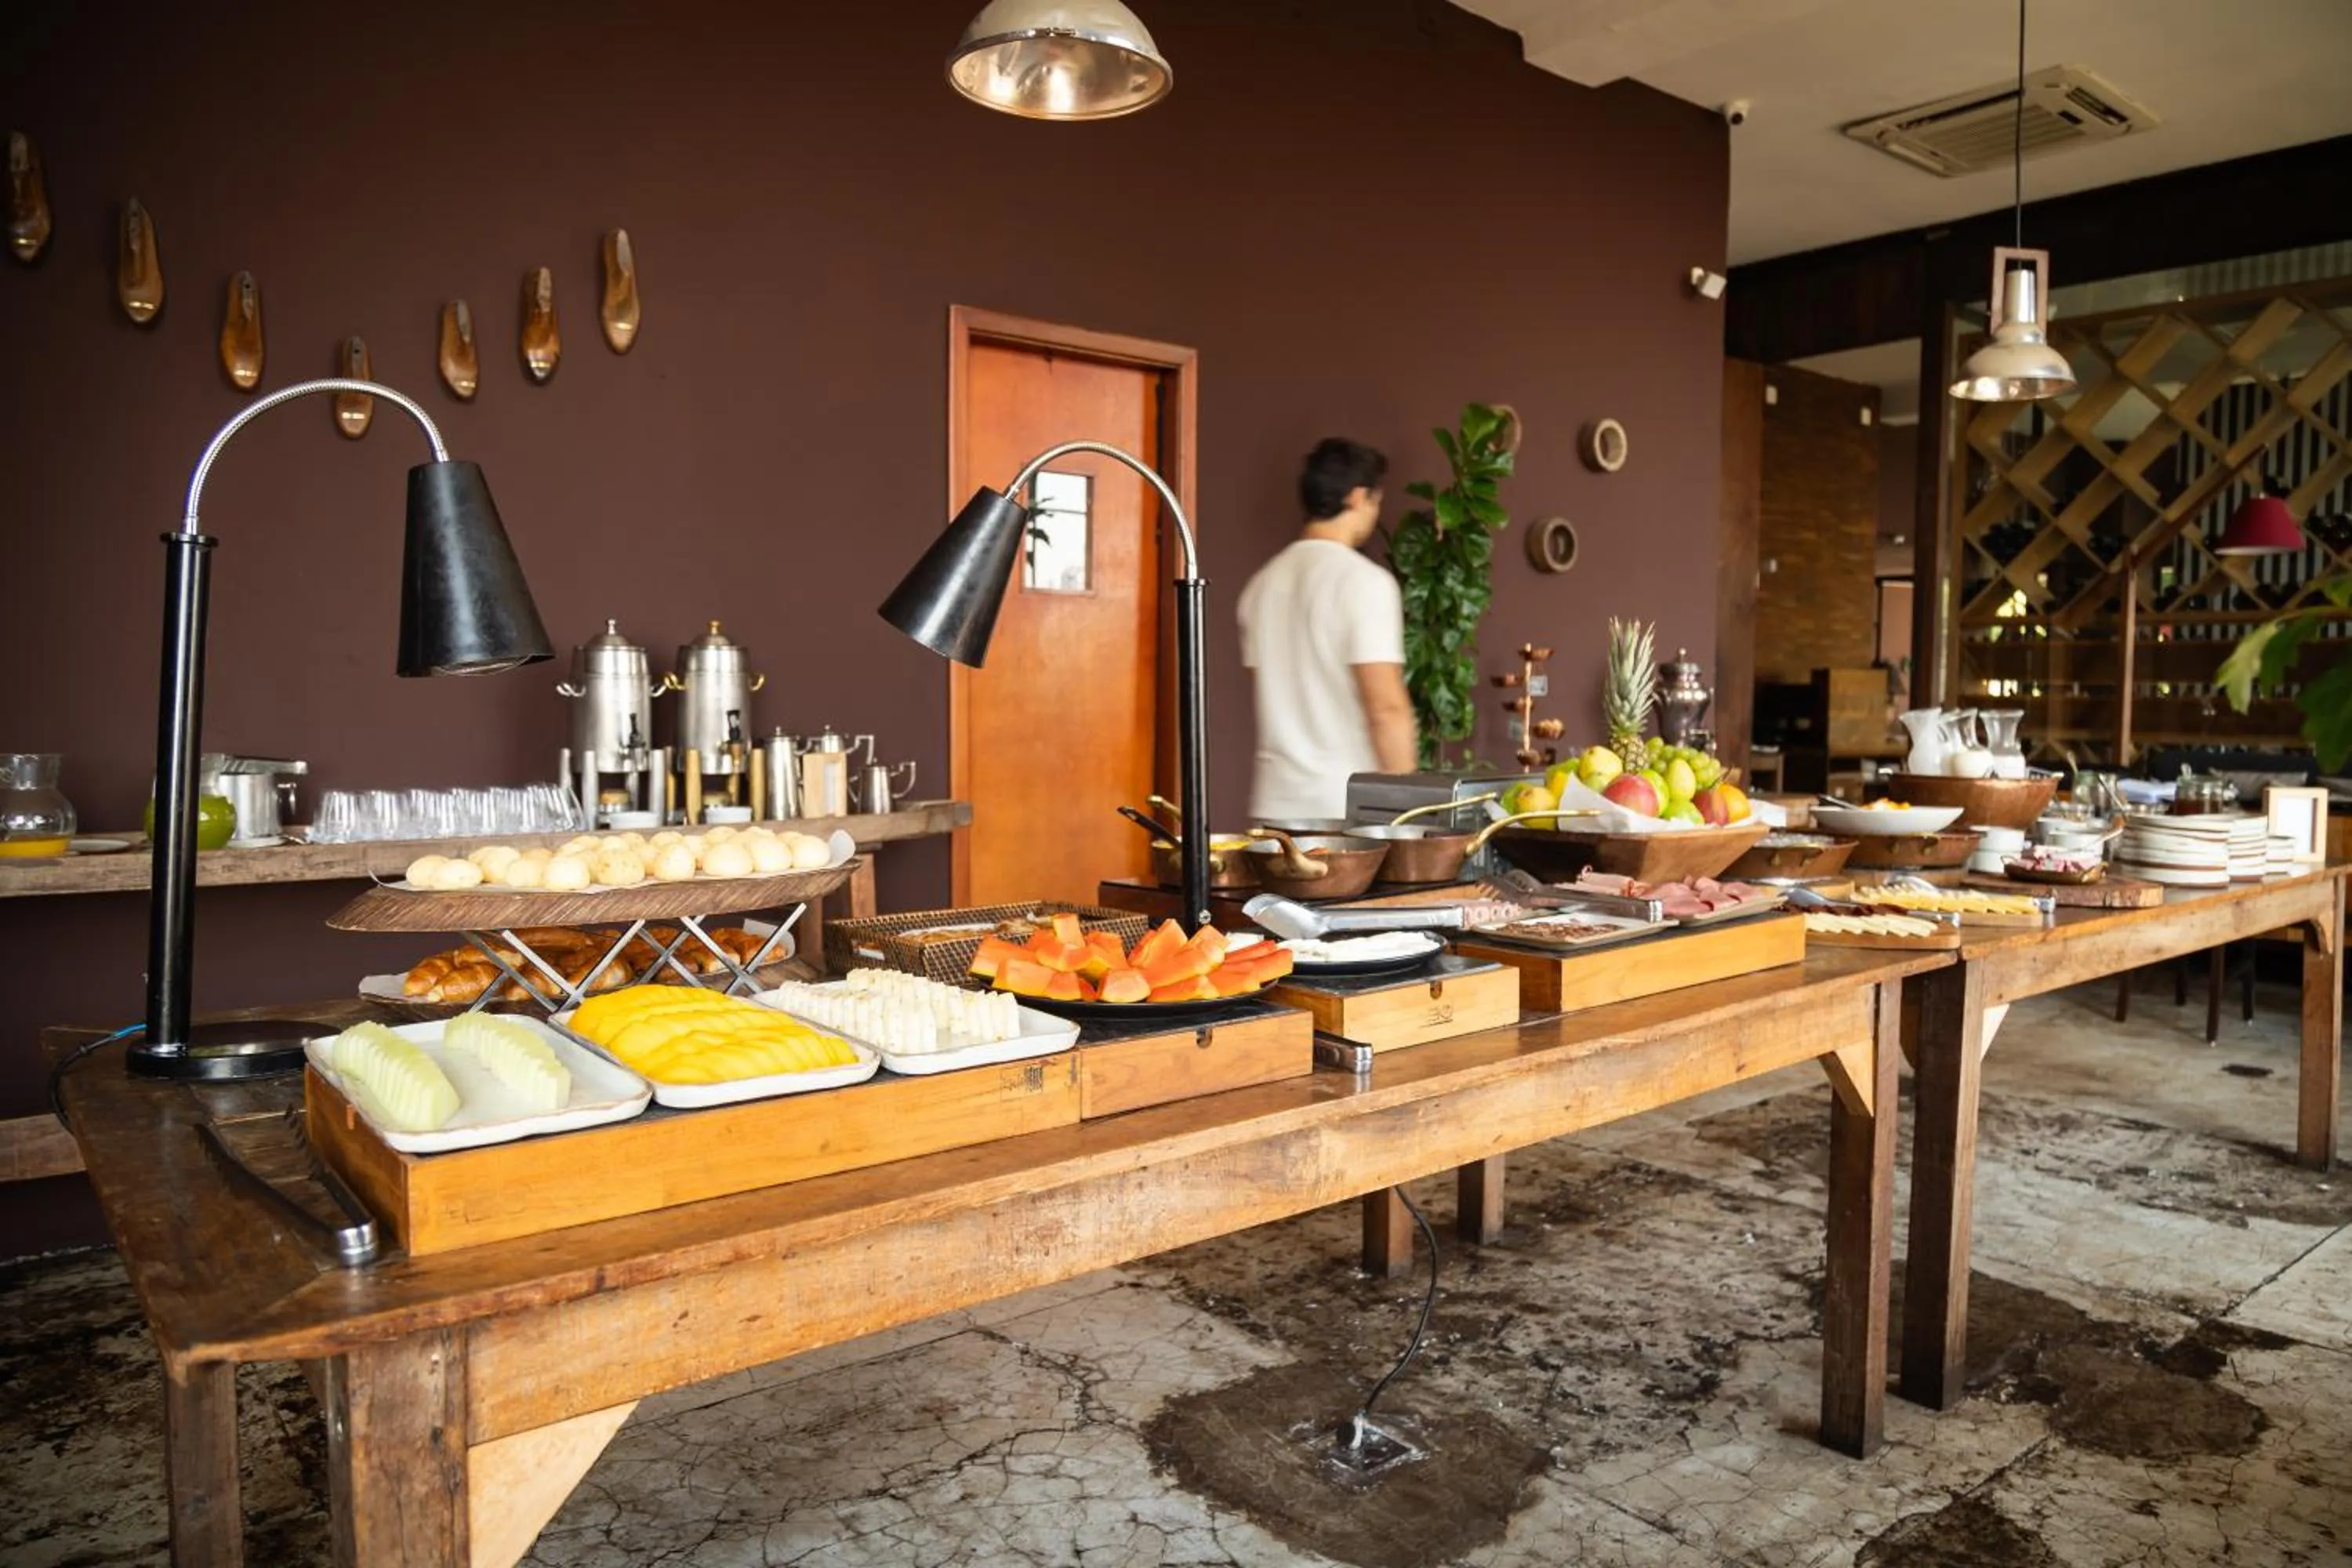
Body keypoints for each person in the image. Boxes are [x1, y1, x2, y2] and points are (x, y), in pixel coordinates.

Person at [1237, 437, 1420, 823]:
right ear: (1358, 497)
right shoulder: (1364, 583)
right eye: (1375, 502)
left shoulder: (1261, 586)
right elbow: (1385, 708)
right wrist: (1409, 811)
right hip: (1344, 809)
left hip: (1274, 808)